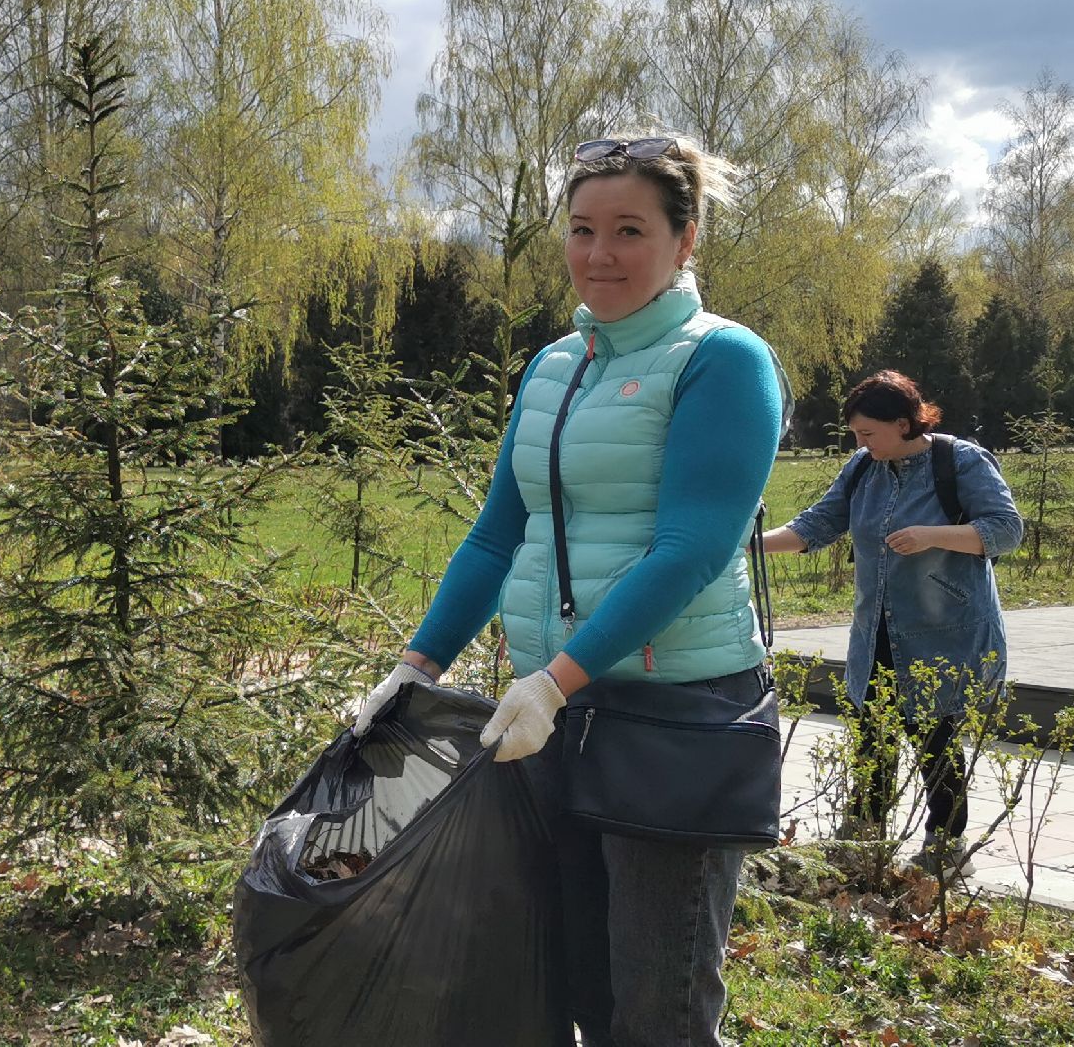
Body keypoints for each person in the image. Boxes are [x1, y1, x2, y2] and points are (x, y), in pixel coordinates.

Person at [352, 134, 787, 1046]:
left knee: (657, 1003)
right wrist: (414, 666)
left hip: (672, 715)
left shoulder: (724, 360)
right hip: (551, 714)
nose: (598, 254)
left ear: (685, 240)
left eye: (629, 230)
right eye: (582, 229)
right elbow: (494, 534)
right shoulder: (557, 365)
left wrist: (558, 678)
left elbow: (691, 548)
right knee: (569, 976)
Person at [759, 372, 1022, 872]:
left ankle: (945, 849)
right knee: (872, 739)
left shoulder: (960, 462)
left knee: (935, 742)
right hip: (875, 631)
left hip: (946, 633)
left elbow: (1006, 531)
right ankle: (862, 845)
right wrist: (746, 544)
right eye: (856, 435)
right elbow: (816, 524)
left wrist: (933, 534)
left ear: (903, 424)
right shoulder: (863, 468)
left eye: (868, 434)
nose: (860, 444)